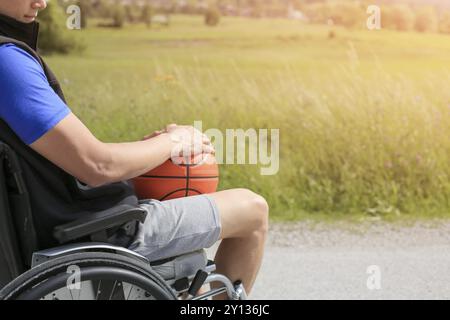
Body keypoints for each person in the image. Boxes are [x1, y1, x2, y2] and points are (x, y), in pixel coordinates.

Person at [0, 0, 268, 299]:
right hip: (85, 231)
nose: (42, 2)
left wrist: (147, 150)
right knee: (252, 210)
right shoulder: (8, 63)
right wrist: (175, 141)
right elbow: (97, 165)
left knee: (197, 271)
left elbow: (68, 157)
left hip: (50, 226)